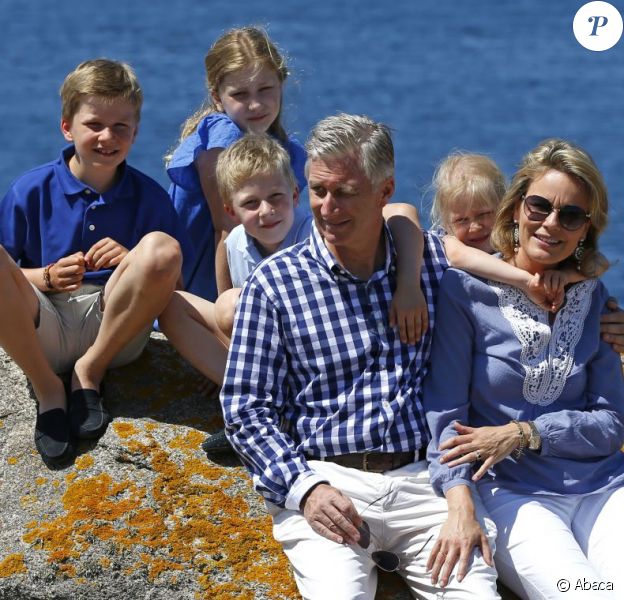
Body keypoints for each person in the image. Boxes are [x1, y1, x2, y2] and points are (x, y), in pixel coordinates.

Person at [221, 113, 500, 599]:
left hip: (429, 485)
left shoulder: (431, 264)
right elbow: (245, 409)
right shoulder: (275, 284)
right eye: (317, 191)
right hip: (328, 479)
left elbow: (527, 282)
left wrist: (604, 316)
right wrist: (303, 489)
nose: (327, 208)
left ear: (383, 190)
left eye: (345, 192)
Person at [424, 139, 624, 599]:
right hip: (513, 494)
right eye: (539, 206)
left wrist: (527, 432)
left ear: (585, 230)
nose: (551, 224)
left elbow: (611, 423)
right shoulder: (464, 290)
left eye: (571, 215)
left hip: (604, 486)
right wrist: (458, 502)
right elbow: (444, 415)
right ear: (515, 208)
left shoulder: (592, 295)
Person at [160, 132, 428, 455]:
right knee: (175, 304)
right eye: (250, 203)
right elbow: (226, 310)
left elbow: (401, 212)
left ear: (296, 195)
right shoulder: (233, 244)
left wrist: (409, 284)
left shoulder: (316, 229)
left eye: (276, 197)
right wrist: (233, 365)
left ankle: (278, 416)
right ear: (231, 212)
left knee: (234, 307)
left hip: (313, 355)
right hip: (265, 354)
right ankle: (242, 398)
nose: (266, 211)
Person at [0, 59, 187, 466]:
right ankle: (48, 389)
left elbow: (174, 286)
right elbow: (9, 277)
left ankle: (90, 371)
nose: (107, 136)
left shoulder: (150, 198)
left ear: (135, 132)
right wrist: (45, 276)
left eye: (121, 127)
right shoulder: (30, 190)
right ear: (67, 126)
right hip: (43, 326)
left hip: (114, 328)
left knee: (160, 248)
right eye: (94, 125)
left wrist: (131, 261)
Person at [165, 26, 307, 302]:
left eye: (265, 89)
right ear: (217, 98)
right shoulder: (221, 136)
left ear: (281, 84)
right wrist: (227, 308)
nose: (255, 105)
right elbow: (227, 230)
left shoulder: (287, 151)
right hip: (203, 293)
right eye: (240, 95)